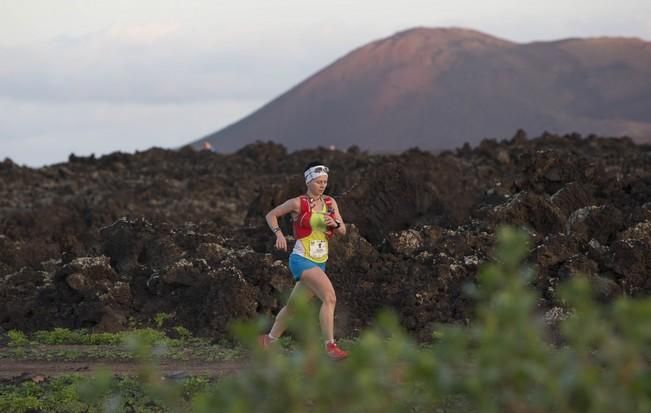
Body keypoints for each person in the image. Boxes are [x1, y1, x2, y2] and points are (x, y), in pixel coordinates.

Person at [259, 161, 349, 360]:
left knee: (293, 307)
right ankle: (330, 347)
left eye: (325, 181)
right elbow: (271, 215)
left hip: (320, 262)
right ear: (308, 181)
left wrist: (334, 223)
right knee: (329, 297)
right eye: (318, 181)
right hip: (301, 259)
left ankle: (268, 340)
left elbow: (343, 230)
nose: (322, 185)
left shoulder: (330, 203)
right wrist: (279, 235)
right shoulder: (298, 203)